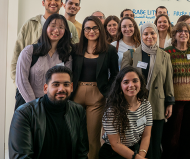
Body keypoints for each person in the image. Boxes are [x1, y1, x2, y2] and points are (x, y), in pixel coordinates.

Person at [120, 23, 175, 159]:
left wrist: (169, 103)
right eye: (146, 34)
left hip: (157, 104)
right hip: (134, 104)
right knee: (135, 142)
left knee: (155, 142)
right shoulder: (131, 54)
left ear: (157, 34)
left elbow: (168, 81)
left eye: (152, 33)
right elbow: (122, 81)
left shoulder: (165, 56)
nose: (149, 36)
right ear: (141, 35)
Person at [9, 66, 89, 158]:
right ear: (45, 88)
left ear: (71, 87)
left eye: (66, 84)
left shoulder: (78, 111)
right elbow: (21, 156)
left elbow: (82, 153)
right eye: (56, 84)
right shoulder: (24, 113)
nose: (61, 89)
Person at [71, 16, 119, 159]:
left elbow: (116, 74)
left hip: (97, 95)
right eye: (87, 28)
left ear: (100, 29)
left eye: (95, 28)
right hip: (75, 94)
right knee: (74, 134)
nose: (91, 31)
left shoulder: (109, 50)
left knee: (93, 137)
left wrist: (106, 92)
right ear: (83, 30)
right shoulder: (75, 48)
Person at [11, 0, 79, 82]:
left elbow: (74, 53)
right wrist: (17, 82)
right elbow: (17, 52)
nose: (53, 2)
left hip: (57, 83)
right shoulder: (30, 24)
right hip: (30, 82)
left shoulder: (70, 26)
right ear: (43, 3)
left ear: (61, 4)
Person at [162, 22, 190, 159]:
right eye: (180, 31)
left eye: (186, 31)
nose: (183, 33)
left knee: (188, 135)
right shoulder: (167, 52)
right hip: (175, 101)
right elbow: (164, 78)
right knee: (172, 136)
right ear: (175, 34)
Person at [15, 14, 73, 109]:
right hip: (28, 105)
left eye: (61, 27)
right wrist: (35, 105)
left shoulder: (66, 56)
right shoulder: (30, 51)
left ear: (65, 31)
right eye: (53, 26)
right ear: (45, 27)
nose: (56, 30)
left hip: (53, 107)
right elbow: (21, 80)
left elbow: (66, 82)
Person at [100, 66, 152, 159]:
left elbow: (146, 135)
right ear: (120, 85)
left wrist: (141, 156)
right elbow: (115, 144)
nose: (131, 85)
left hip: (135, 150)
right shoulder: (112, 110)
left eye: (135, 81)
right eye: (126, 82)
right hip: (113, 153)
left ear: (141, 82)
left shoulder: (146, 105)